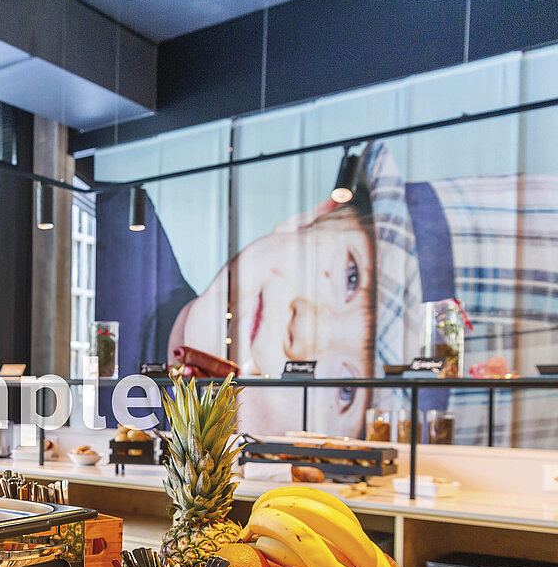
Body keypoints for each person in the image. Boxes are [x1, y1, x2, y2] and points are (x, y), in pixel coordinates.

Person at [101, 141, 558, 445]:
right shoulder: (118, 220)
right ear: (313, 217)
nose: (303, 328)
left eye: (345, 388)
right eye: (352, 277)